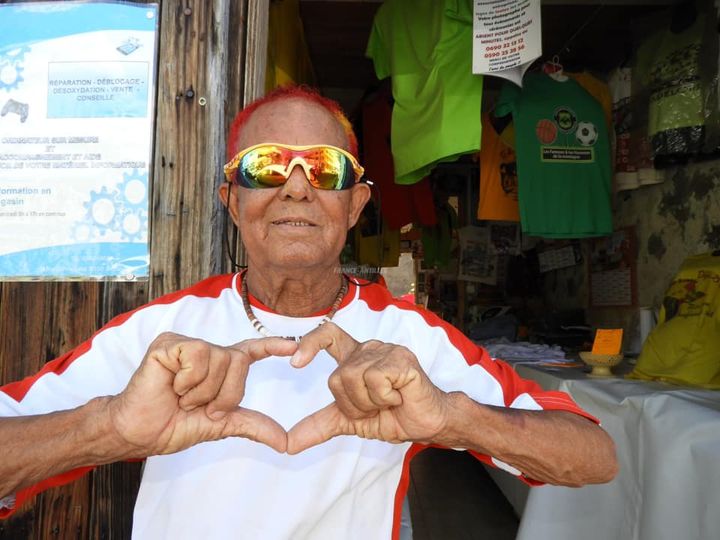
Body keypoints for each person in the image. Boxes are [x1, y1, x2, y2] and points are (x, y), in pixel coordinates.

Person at [0, 86, 617, 539]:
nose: (296, 186)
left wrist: (452, 418)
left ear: (355, 205)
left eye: (324, 169)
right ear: (233, 201)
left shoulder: (408, 339)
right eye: (267, 165)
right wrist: (109, 427)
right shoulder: (161, 333)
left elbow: (593, 457)